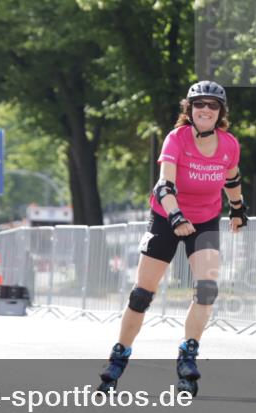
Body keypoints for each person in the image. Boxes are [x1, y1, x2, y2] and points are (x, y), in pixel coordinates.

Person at [98, 81, 248, 396]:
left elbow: (231, 178)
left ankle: (188, 355)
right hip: (168, 218)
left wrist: (237, 209)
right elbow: (163, 186)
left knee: (207, 289)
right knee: (142, 295)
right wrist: (176, 216)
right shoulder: (176, 139)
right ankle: (119, 356)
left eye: (212, 105)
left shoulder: (229, 144)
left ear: (220, 112)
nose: (205, 110)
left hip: (205, 219)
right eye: (199, 104)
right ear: (189, 109)